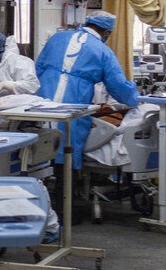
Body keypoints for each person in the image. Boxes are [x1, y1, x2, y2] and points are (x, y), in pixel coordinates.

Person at [34, 12, 139, 169]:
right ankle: (66, 183)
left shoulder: (57, 38)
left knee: (40, 149)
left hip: (43, 99)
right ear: (106, 32)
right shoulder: (103, 51)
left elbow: (37, 69)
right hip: (74, 102)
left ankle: (41, 181)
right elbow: (119, 87)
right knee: (67, 148)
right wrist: (136, 98)